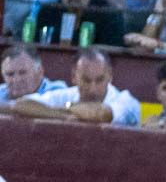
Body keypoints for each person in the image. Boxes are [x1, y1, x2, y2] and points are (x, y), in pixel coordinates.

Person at [11, 48, 140, 125]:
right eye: (86, 80)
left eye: (99, 80)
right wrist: (62, 116)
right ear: (74, 77)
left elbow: (99, 113)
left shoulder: (126, 100)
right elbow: (21, 104)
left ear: (110, 76)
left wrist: (67, 107)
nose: (92, 88)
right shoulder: (67, 94)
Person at [0, 45, 66, 102]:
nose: (16, 80)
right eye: (10, 74)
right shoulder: (1, 91)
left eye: (23, 73)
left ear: (40, 72)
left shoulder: (57, 91)